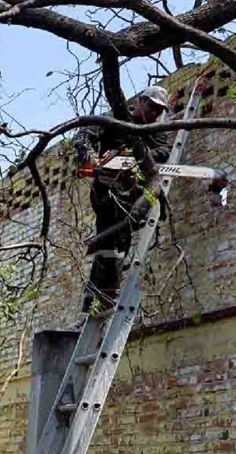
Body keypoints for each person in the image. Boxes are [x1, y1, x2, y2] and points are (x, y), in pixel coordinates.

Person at [73, 86, 172, 313]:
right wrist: (90, 158)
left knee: (117, 240)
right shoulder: (115, 118)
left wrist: (136, 155)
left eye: (159, 111)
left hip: (133, 192)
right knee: (109, 241)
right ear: (139, 101)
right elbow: (82, 136)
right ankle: (100, 296)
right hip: (106, 188)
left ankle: (98, 295)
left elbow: (164, 151)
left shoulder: (156, 129)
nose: (154, 114)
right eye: (151, 107)